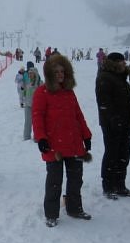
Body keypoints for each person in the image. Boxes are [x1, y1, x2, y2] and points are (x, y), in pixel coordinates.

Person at [32, 54, 93, 227]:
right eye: (56, 71)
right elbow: (37, 117)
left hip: (73, 143)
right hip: (53, 146)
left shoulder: (69, 92)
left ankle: (74, 208)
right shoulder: (41, 92)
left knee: (75, 178)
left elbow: (78, 115)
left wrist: (86, 135)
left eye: (62, 71)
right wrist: (41, 138)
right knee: (54, 181)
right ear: (50, 73)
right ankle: (51, 213)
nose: (60, 74)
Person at [95, 52, 130, 199]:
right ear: (114, 63)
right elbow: (104, 103)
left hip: (125, 122)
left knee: (124, 154)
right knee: (112, 153)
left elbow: (128, 102)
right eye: (121, 62)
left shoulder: (122, 78)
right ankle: (108, 186)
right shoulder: (104, 77)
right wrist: (114, 120)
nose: (124, 64)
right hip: (111, 124)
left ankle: (120, 184)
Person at [22, 62, 42, 141]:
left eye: (31, 74)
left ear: (35, 74)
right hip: (28, 105)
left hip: (37, 106)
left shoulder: (40, 83)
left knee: (37, 122)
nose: (29, 75)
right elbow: (25, 93)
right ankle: (26, 137)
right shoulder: (28, 83)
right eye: (29, 74)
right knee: (27, 122)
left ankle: (37, 137)